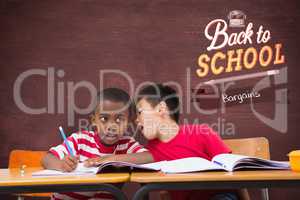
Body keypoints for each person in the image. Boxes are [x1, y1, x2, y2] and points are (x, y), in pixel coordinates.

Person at [85, 83, 241, 200]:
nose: (136, 120)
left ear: (161, 109)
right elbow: (141, 158)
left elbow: (236, 175)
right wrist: (109, 159)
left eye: (139, 112)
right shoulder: (152, 150)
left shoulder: (202, 132)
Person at [42, 87, 149, 200]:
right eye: (104, 119)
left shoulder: (127, 144)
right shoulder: (80, 140)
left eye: (119, 119)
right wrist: (61, 165)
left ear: (127, 122)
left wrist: (111, 159)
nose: (111, 126)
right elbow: (47, 159)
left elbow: (149, 157)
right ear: (94, 120)